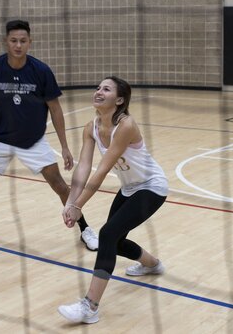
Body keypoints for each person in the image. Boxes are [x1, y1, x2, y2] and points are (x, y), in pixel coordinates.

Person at [0, 20, 98, 252]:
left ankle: (85, 229)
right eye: (13, 40)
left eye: (23, 41)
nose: (18, 45)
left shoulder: (41, 71)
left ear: (29, 43)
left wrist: (64, 146)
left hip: (32, 141)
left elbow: (55, 109)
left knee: (60, 186)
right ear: (6, 42)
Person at [57, 76, 168, 324]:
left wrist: (78, 206)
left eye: (106, 89)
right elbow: (84, 167)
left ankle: (90, 307)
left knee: (107, 235)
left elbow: (101, 170)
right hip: (130, 188)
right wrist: (70, 201)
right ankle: (153, 265)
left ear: (119, 100)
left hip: (152, 188)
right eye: (97, 87)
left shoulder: (126, 125)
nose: (98, 91)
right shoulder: (91, 127)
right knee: (115, 242)